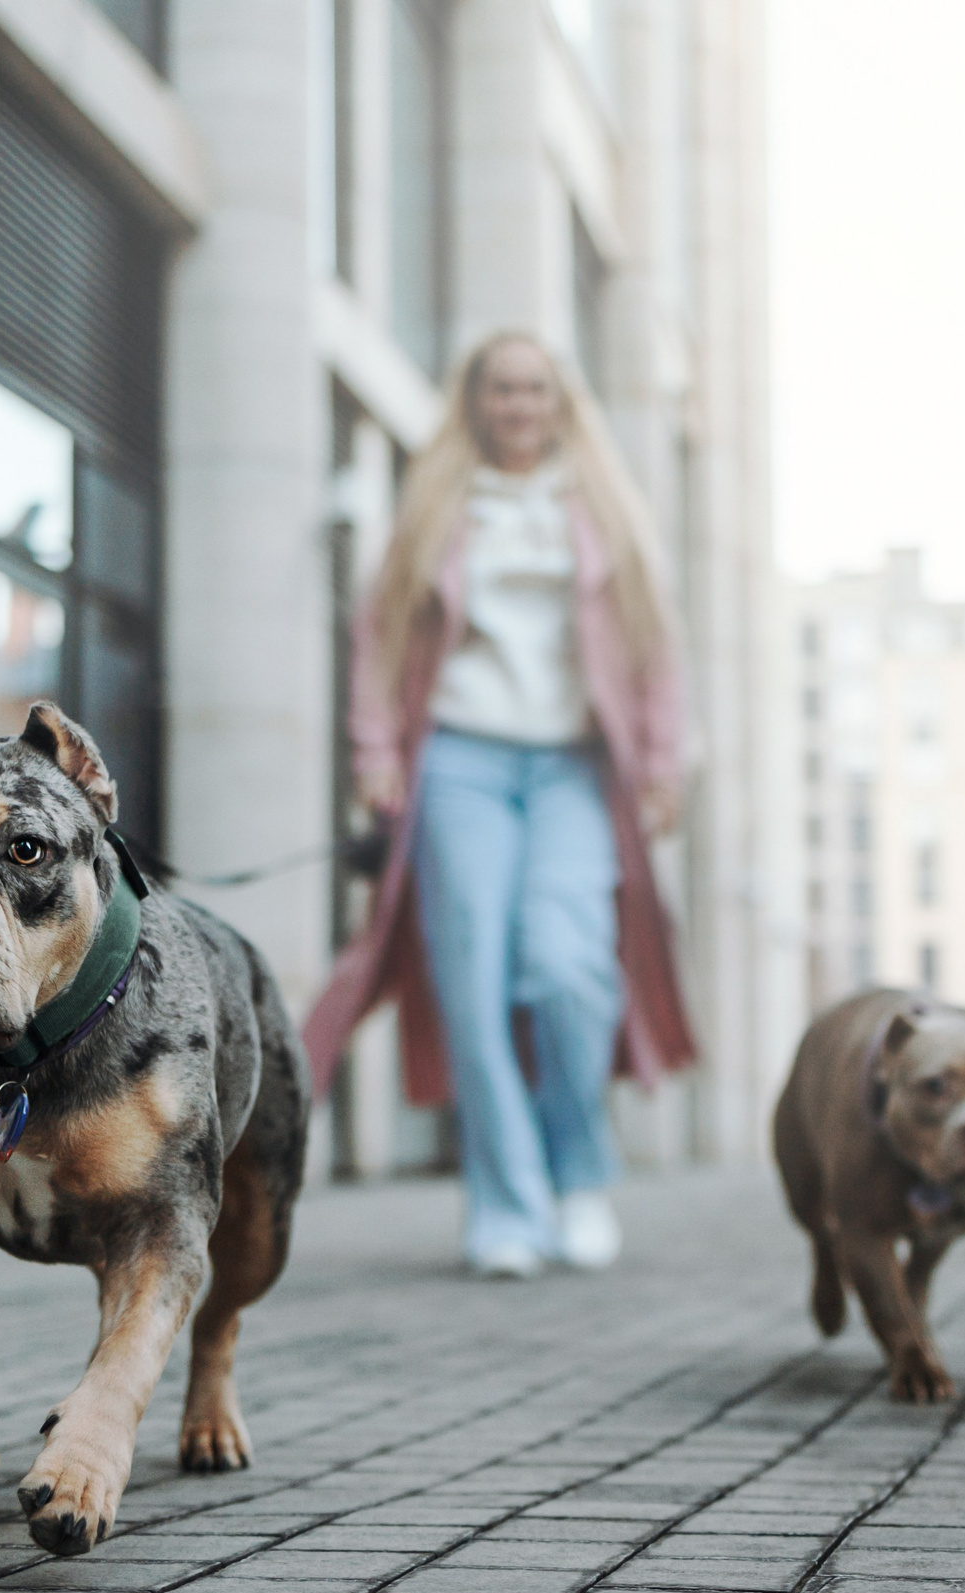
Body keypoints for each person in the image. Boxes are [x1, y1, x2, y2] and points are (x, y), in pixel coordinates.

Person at [302, 330, 697, 1278]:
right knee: (471, 984)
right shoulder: (437, 508)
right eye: (502, 390)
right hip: (461, 761)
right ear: (476, 402)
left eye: (536, 389)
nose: (520, 406)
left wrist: (663, 759)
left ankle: (579, 1172)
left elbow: (654, 643)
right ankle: (508, 1207)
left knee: (569, 967)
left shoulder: (603, 508)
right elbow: (381, 639)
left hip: (573, 767)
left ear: (563, 401)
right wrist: (376, 753)